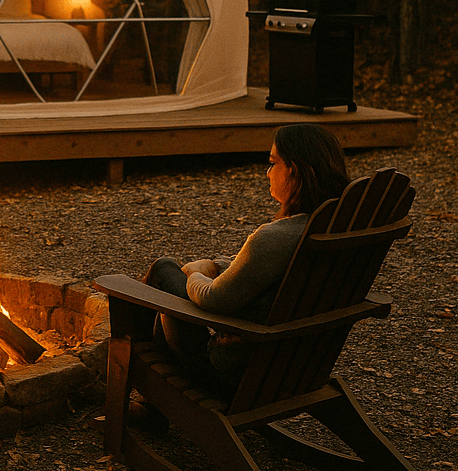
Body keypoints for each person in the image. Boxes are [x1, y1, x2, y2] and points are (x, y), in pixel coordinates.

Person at [142, 123, 350, 391]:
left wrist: (196, 273)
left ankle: (145, 386)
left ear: (294, 172)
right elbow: (262, 271)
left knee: (163, 269)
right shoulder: (338, 226)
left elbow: (213, 298)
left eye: (273, 163)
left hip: (236, 373)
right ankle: (153, 405)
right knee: (170, 294)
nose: (268, 172)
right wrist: (217, 265)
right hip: (298, 365)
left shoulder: (277, 237)